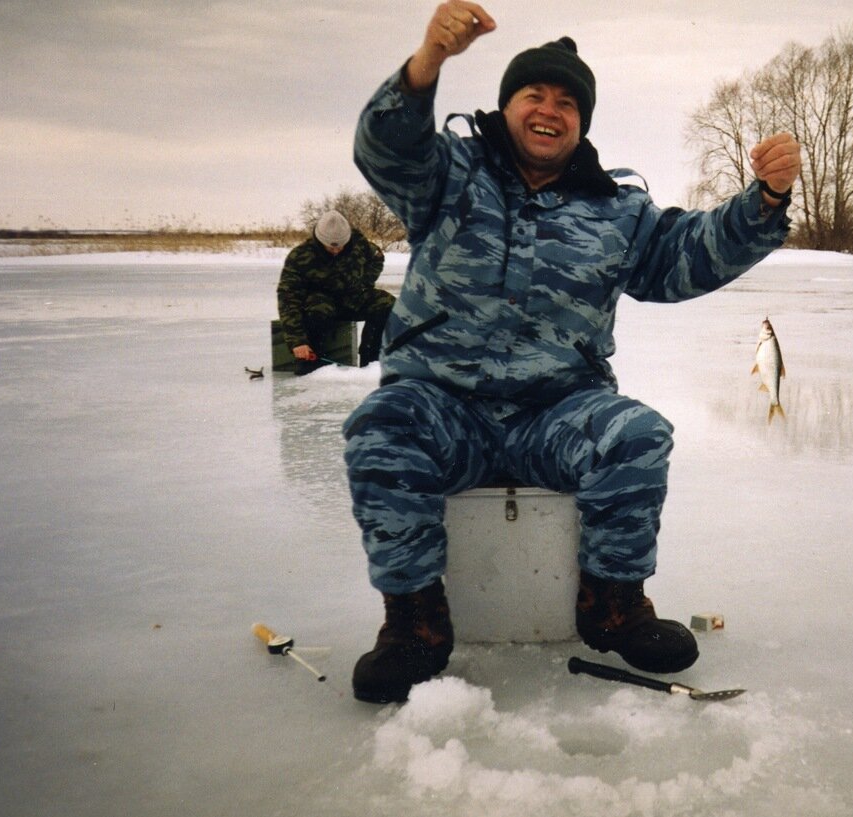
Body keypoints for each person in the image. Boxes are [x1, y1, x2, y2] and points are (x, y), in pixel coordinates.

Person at [343, 0, 801, 704]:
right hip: (441, 403)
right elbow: (387, 147)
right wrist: (427, 61)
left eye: (566, 101)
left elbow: (689, 254)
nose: (549, 110)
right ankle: (413, 623)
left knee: (637, 433)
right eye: (534, 94)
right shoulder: (449, 176)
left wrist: (765, 199)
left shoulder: (615, 210)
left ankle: (615, 605)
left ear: (582, 121)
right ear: (507, 106)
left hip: (552, 414)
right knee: (380, 427)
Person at [276, 209, 395, 374]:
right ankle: (312, 363)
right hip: (321, 305)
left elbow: (377, 258)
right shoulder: (300, 256)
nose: (336, 251)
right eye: (330, 247)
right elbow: (288, 298)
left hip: (354, 299)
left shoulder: (359, 244)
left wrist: (364, 283)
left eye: (341, 246)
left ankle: (372, 361)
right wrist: (297, 341)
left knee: (386, 303)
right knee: (317, 307)